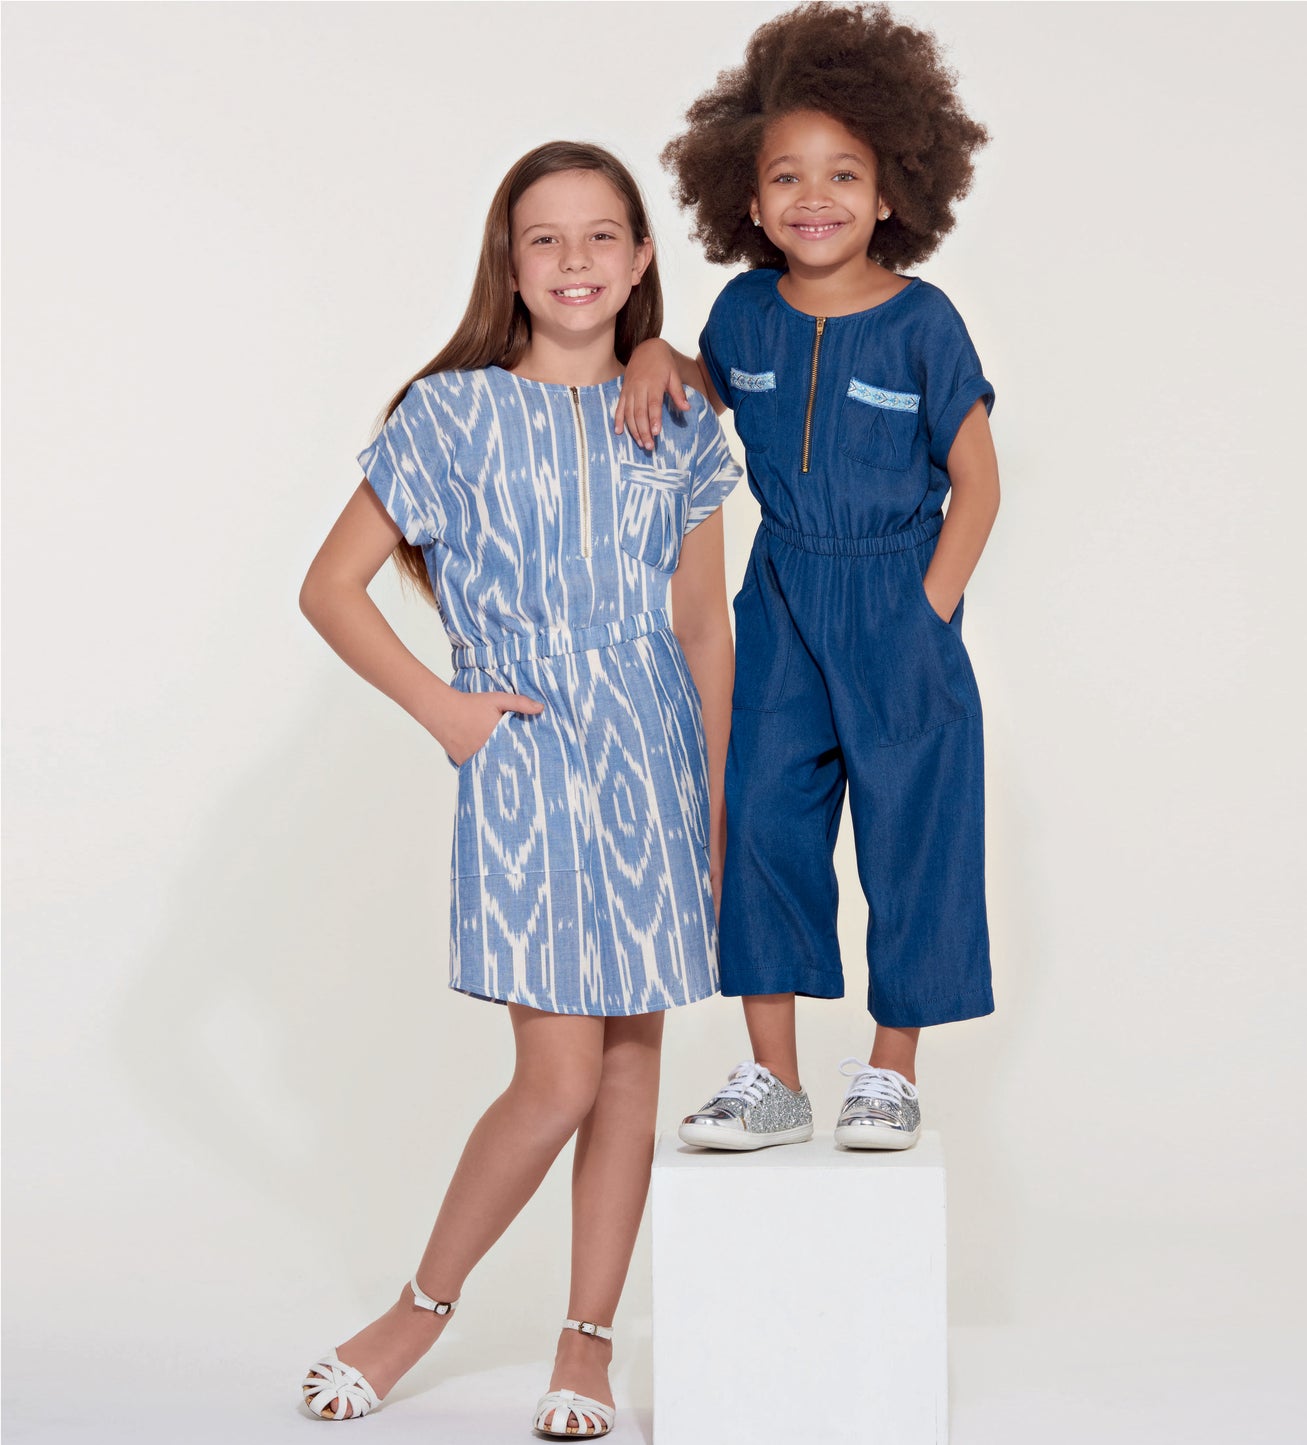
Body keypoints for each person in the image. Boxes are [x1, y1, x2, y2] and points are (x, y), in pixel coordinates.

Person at [298, 140, 740, 1438]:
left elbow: (702, 625)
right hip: (530, 755)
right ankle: (419, 1308)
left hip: (654, 751)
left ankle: (585, 1341)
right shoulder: (451, 414)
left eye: (602, 235)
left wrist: (716, 797)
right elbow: (330, 586)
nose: (574, 261)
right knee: (555, 1074)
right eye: (544, 238)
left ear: (641, 257)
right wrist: (444, 709)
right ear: (508, 260)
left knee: (631, 1060)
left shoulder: (679, 416)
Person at [615, 2, 1000, 1153]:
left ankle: (890, 1070)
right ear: (745, 196)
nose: (813, 196)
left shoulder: (924, 324)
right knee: (762, 818)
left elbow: (976, 485)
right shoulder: (744, 313)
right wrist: (653, 349)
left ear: (889, 194)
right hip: (780, 596)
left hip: (897, 601)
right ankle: (772, 1077)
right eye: (785, 175)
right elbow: (701, 386)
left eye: (843, 174)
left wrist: (922, 617)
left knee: (912, 834)